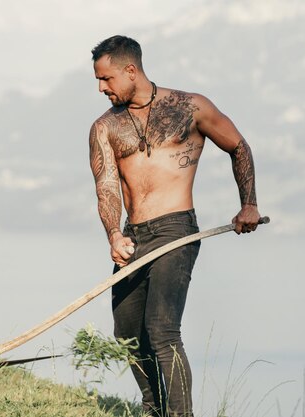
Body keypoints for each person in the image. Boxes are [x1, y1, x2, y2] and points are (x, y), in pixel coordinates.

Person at [88, 35, 262, 417]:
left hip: (176, 231)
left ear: (130, 70)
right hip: (134, 236)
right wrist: (114, 235)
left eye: (106, 79)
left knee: (162, 329)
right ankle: (155, 408)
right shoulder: (105, 127)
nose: (101, 88)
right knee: (128, 333)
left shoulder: (191, 106)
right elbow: (106, 187)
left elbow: (239, 146)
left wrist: (248, 204)